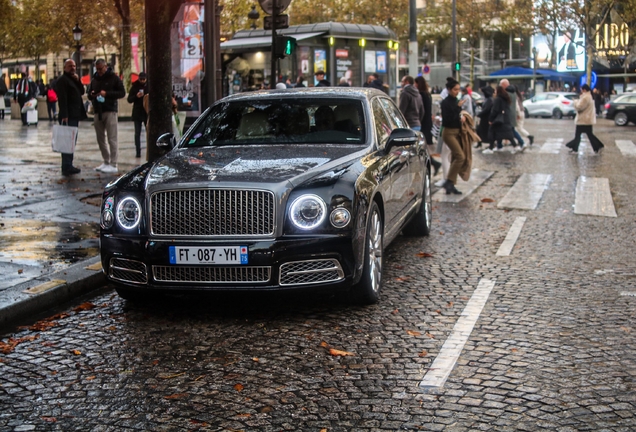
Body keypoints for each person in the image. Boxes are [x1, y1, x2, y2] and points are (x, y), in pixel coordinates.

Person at [87, 59, 126, 173]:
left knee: (112, 138)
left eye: (100, 68)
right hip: (98, 110)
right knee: (100, 139)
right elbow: (89, 93)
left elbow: (122, 93)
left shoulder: (114, 78)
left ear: (105, 67)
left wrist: (107, 94)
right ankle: (106, 160)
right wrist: (92, 94)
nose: (99, 71)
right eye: (97, 69)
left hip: (110, 110)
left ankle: (114, 163)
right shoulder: (94, 79)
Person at [55, 59, 86, 176]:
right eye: (69, 66)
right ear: (64, 68)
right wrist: (64, 115)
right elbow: (63, 98)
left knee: (71, 141)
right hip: (68, 116)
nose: (72, 68)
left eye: (74, 65)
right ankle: (66, 165)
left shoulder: (73, 79)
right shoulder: (62, 80)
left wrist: (78, 81)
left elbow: (82, 92)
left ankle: (69, 164)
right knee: (67, 141)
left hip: (75, 114)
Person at [440, 77, 467, 194]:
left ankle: (451, 185)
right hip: (449, 132)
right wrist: (458, 108)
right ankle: (449, 181)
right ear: (449, 90)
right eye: (455, 89)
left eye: (458, 89)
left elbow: (456, 116)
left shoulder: (456, 100)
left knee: (456, 158)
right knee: (460, 156)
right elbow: (447, 119)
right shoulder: (445, 102)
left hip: (457, 131)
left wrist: (461, 116)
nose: (457, 91)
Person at [565, 84, 605, 154]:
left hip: (583, 120)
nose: (581, 91)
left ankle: (575, 148)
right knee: (589, 135)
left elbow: (579, 107)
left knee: (579, 135)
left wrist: (575, 102)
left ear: (584, 90)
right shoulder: (589, 96)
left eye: (581, 89)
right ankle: (597, 147)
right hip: (587, 119)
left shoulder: (586, 97)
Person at [414, 75, 441, 175]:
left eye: (415, 83)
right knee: (423, 147)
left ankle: (433, 164)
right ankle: (433, 164)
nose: (414, 85)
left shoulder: (421, 94)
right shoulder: (427, 94)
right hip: (427, 122)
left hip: (423, 123)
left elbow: (422, 110)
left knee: (422, 148)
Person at [484, 85, 517, 153]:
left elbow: (495, 110)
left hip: (498, 120)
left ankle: (491, 148)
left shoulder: (498, 99)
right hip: (504, 119)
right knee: (506, 134)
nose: (494, 92)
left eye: (495, 91)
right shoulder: (505, 98)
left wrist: (490, 119)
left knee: (493, 132)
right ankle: (514, 146)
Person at [126, 72, 148, 158]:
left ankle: (149, 150)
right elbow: (129, 99)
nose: (142, 81)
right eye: (141, 79)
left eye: (144, 79)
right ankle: (138, 151)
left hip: (146, 112)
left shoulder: (148, 86)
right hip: (137, 112)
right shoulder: (135, 86)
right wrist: (136, 96)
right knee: (137, 133)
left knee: (148, 132)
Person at [499, 79, 524, 151]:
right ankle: (499, 145)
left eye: (501, 85)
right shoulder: (513, 93)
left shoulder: (507, 94)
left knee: (511, 130)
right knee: (505, 130)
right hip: (512, 114)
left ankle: (520, 143)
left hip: (508, 115)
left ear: (504, 85)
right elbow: (516, 106)